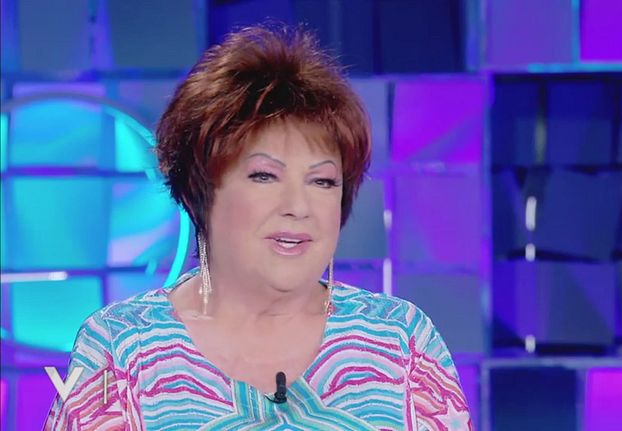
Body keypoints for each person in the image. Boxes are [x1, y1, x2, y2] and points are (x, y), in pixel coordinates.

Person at [44, 24, 472, 430]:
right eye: (265, 176)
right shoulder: (123, 347)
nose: (298, 207)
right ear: (200, 188)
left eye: (323, 181)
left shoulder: (399, 339)